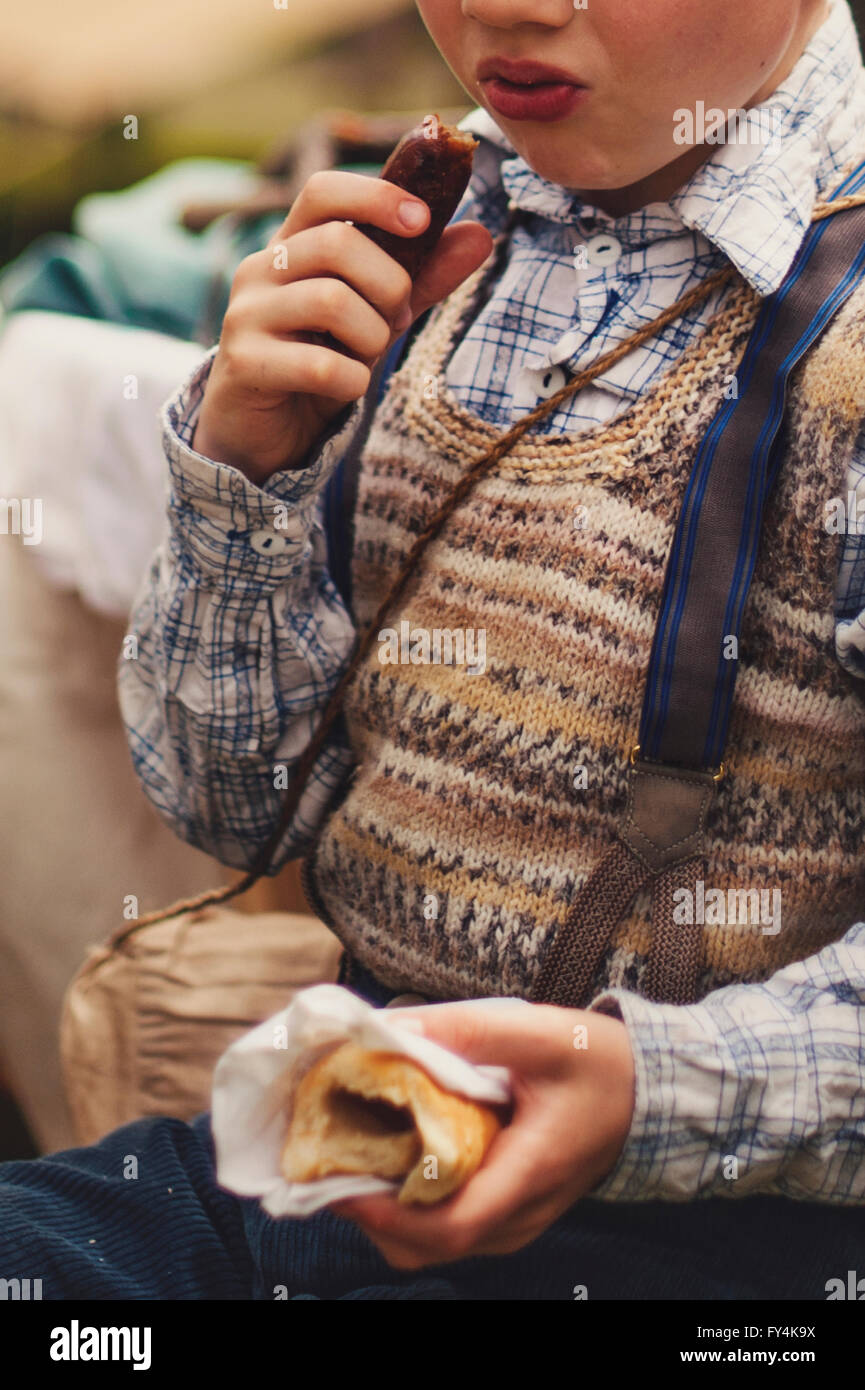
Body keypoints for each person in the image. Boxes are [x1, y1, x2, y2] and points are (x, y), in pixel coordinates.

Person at [2, 0, 865, 1300]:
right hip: (335, 1137)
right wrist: (245, 472)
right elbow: (230, 807)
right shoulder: (416, 239)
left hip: (715, 1228)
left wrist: (651, 1092)